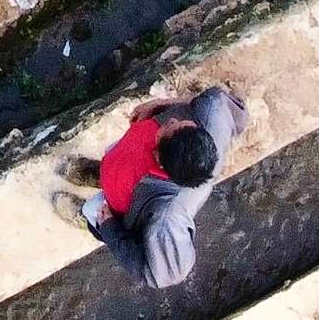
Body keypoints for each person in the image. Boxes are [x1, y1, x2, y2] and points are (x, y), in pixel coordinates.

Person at [63, 85, 245, 290]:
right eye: (183, 123)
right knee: (115, 157)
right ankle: (99, 174)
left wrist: (110, 228)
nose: (173, 120)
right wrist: (164, 105)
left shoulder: (166, 219)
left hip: (124, 205)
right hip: (126, 164)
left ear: (159, 161)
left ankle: (87, 220)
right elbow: (233, 109)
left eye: (168, 128)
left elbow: (164, 274)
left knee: (93, 213)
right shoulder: (212, 112)